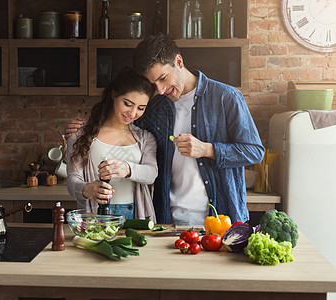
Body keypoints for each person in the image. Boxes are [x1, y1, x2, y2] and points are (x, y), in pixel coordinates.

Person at [66, 34, 264, 225]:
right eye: (153, 84)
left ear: (178, 61)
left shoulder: (226, 97)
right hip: (167, 218)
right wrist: (84, 128)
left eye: (163, 78)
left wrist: (207, 149)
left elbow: (254, 152)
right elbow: (121, 126)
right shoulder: (155, 106)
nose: (160, 90)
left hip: (221, 216)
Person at [66, 67, 157, 222]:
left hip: (134, 214)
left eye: (141, 108)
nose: (133, 113)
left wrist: (127, 169)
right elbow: (72, 180)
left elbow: (151, 174)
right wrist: (87, 189)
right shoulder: (80, 134)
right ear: (114, 94)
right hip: (94, 214)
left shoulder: (145, 138)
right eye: (128, 104)